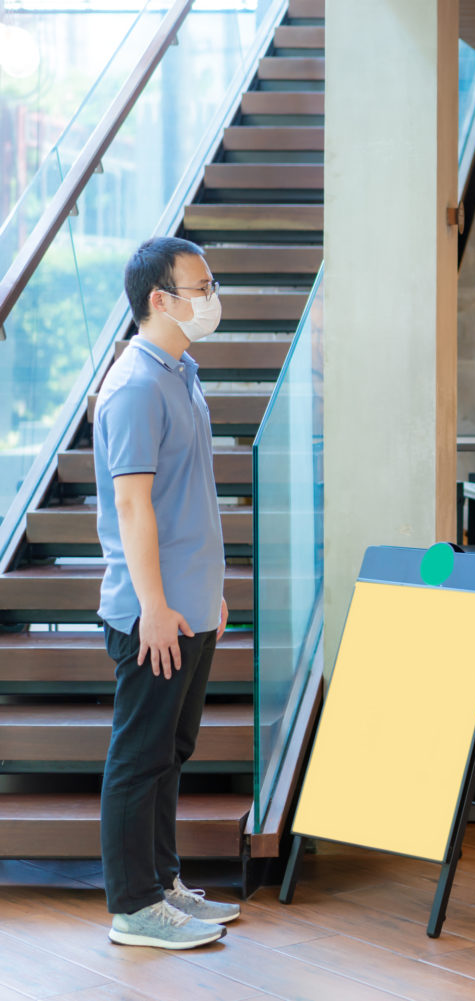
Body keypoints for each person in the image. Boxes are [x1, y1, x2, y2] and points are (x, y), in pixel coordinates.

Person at [95, 236, 241, 949]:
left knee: (172, 748)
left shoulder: (182, 372)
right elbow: (133, 507)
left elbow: (194, 496)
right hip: (152, 611)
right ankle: (133, 905)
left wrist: (207, 590)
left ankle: (163, 881)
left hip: (191, 603)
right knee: (140, 753)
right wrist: (154, 605)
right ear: (161, 298)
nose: (211, 295)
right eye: (201, 284)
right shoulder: (135, 385)